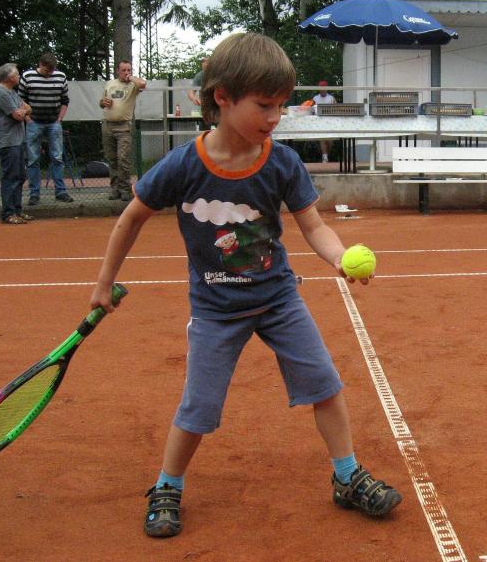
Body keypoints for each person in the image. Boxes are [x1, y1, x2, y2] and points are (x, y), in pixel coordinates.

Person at [89, 32, 402, 539]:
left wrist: (339, 257)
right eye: (264, 105)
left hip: (278, 298)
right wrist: (104, 283)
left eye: (281, 105)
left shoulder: (282, 162)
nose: (275, 117)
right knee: (199, 406)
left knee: (324, 385)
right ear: (223, 98)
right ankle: (167, 484)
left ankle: (346, 476)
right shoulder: (184, 164)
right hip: (216, 309)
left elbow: (314, 226)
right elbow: (131, 218)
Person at [18, 52, 74, 205]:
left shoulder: (61, 77)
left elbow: (65, 100)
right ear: (40, 65)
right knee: (33, 159)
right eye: (47, 70)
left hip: (53, 122)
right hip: (33, 122)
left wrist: (59, 119)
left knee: (57, 157)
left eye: (52, 70)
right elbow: (20, 99)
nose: (49, 74)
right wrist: (28, 120)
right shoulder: (27, 76)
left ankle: (60, 191)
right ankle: (34, 194)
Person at [0, 63, 33, 224]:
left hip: (18, 140)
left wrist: (23, 110)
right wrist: (22, 111)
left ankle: (17, 210)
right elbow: (18, 116)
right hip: (8, 142)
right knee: (11, 177)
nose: (19, 76)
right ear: (10, 77)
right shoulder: (1, 93)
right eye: (17, 74)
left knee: (20, 176)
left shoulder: (12, 92)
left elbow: (28, 108)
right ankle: (8, 213)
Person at [99, 60, 147, 201]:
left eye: (129, 70)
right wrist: (102, 102)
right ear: (117, 71)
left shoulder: (133, 85)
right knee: (112, 159)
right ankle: (115, 189)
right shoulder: (110, 84)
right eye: (124, 70)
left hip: (124, 126)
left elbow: (143, 84)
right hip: (108, 125)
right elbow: (102, 102)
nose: (126, 72)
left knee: (123, 159)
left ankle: (125, 189)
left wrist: (130, 77)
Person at [312, 80, 336, 162]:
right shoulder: (315, 98)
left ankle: (326, 155)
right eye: (321, 88)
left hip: (330, 122)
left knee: (330, 142)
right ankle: (325, 157)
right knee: (322, 138)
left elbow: (336, 109)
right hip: (319, 123)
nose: (322, 90)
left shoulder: (331, 98)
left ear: (326, 88)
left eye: (323, 88)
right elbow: (312, 110)